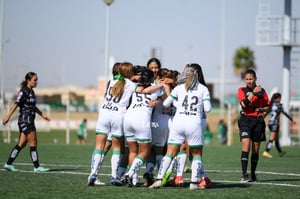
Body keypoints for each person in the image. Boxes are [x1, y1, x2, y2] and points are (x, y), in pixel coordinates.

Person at [149, 66, 212, 190]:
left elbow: (167, 103)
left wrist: (179, 104)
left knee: (170, 153)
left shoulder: (178, 88)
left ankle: (158, 179)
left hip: (178, 123)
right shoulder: (203, 89)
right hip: (194, 124)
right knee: (196, 155)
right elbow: (208, 109)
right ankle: (194, 183)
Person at [87, 62, 139, 186]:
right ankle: (114, 176)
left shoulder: (111, 81)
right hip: (118, 116)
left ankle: (93, 174)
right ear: (130, 73)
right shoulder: (132, 85)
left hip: (104, 113)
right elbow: (142, 90)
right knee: (117, 148)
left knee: (99, 146)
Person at [2, 72, 50, 172]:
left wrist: (42, 114)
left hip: (29, 120)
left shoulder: (31, 92)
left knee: (21, 144)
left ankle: (8, 164)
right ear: (28, 80)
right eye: (35, 80)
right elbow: (16, 104)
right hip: (26, 120)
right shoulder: (23, 91)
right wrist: (8, 116)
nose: (37, 82)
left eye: (37, 79)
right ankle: (37, 167)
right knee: (33, 143)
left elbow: (32, 106)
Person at [237, 69, 270, 182]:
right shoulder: (242, 90)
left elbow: (268, 107)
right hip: (245, 120)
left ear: (255, 79)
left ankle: (253, 174)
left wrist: (261, 109)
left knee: (256, 149)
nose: (248, 81)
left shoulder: (263, 91)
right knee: (246, 145)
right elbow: (243, 104)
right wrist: (254, 93)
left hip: (258, 121)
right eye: (246, 79)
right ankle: (244, 175)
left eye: (250, 79)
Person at [262, 92, 295, 158]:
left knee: (276, 139)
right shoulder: (278, 105)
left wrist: (262, 118)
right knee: (272, 138)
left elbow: (266, 113)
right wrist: (291, 120)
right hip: (275, 124)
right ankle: (266, 151)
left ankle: (280, 152)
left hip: (270, 123)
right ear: (279, 98)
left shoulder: (271, 105)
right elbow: (284, 113)